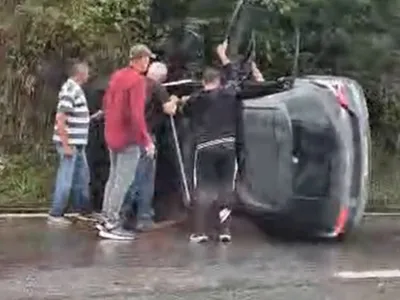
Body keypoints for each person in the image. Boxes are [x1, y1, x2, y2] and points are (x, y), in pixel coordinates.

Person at [180, 40, 241, 243]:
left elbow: (185, 111)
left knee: (204, 188)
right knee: (226, 187)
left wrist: (182, 101)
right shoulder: (230, 93)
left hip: (205, 146)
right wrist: (223, 55)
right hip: (228, 145)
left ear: (203, 81)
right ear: (219, 80)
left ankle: (200, 232)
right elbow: (234, 76)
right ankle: (225, 231)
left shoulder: (196, 99)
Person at [97, 44, 156, 240]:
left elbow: (106, 103)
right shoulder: (138, 81)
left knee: (113, 179)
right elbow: (136, 114)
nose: (148, 63)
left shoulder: (117, 76)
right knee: (123, 181)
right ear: (143, 59)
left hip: (111, 134)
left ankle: (105, 217)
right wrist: (146, 141)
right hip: (127, 138)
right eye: (148, 59)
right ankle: (112, 223)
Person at [122, 61, 178, 231]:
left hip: (128, 135)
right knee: (144, 178)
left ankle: (127, 215)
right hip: (146, 137)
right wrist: (174, 99)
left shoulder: (134, 83)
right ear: (162, 78)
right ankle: (140, 217)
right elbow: (170, 110)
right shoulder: (157, 87)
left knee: (130, 176)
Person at [48, 60, 91, 225]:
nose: (89, 75)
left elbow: (73, 116)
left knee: (82, 178)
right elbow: (61, 118)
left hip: (77, 143)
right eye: (87, 72)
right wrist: (66, 145)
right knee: (65, 179)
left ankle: (82, 210)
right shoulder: (70, 89)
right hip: (70, 143)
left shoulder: (75, 89)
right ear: (80, 73)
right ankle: (56, 213)